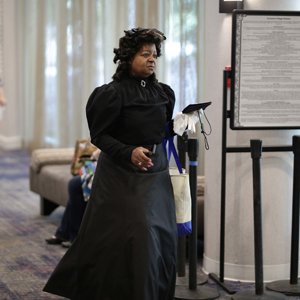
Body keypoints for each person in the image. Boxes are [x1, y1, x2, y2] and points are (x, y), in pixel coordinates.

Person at [43, 27, 177, 300]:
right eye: (145, 54)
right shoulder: (111, 94)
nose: (152, 59)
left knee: (157, 236)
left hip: (156, 172)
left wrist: (179, 126)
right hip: (121, 174)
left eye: (155, 55)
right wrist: (129, 152)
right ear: (128, 58)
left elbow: (159, 131)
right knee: (136, 234)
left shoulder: (164, 92)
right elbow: (99, 136)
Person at [45, 148, 100, 248]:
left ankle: (73, 236)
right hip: (102, 166)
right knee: (75, 185)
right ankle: (66, 234)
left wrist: (96, 154)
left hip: (112, 170)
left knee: (75, 185)